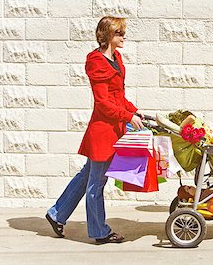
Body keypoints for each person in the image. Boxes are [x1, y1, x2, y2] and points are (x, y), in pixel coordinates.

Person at [45, 16, 144, 244]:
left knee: (86, 176)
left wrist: (134, 111)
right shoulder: (96, 62)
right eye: (119, 33)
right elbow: (102, 103)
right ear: (108, 35)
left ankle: (56, 214)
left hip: (113, 127)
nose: (124, 37)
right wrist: (127, 115)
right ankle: (100, 232)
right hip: (102, 132)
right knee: (96, 183)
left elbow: (118, 96)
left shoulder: (116, 58)